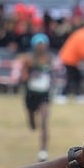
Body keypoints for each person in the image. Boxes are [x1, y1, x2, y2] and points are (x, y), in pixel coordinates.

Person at [20, 33, 54, 161]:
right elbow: (22, 77)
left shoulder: (49, 59)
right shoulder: (28, 59)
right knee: (32, 123)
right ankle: (32, 121)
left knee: (45, 121)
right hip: (31, 94)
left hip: (44, 95)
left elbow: (52, 73)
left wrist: (52, 81)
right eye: (39, 45)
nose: (41, 48)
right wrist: (29, 76)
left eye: (43, 45)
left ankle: (43, 151)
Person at [57, 22, 84, 103]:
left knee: (76, 78)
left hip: (71, 58)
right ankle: (62, 95)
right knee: (71, 78)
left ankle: (76, 95)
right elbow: (83, 50)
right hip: (69, 58)